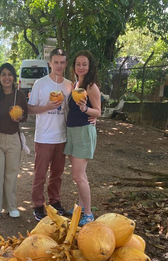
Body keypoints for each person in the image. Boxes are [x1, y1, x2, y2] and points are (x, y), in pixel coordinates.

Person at [27, 48, 72, 221]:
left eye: (62, 62)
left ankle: (54, 202)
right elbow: (30, 109)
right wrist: (47, 106)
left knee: (57, 174)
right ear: (50, 63)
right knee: (40, 174)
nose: (59, 66)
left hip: (62, 137)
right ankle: (38, 205)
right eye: (56, 62)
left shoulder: (69, 85)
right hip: (44, 137)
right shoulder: (41, 83)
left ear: (66, 64)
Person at [65, 50, 102, 226]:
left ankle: (88, 213)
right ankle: (80, 207)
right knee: (81, 175)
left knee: (78, 176)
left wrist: (86, 110)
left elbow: (98, 111)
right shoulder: (76, 84)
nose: (81, 67)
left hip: (83, 132)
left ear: (90, 66)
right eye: (78, 64)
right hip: (72, 132)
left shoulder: (91, 86)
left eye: (84, 64)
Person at [0, 63, 28, 220]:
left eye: (9, 74)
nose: (6, 77)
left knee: (11, 174)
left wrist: (19, 117)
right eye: (3, 74)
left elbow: (25, 116)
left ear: (14, 77)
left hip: (13, 138)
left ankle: (11, 206)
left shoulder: (20, 95)